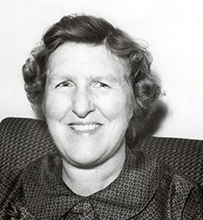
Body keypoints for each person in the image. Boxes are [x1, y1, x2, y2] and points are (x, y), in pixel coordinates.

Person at [0, 14, 202, 219]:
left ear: (135, 101)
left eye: (102, 84)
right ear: (43, 100)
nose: (81, 107)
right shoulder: (7, 192)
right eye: (64, 84)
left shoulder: (182, 206)